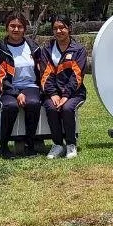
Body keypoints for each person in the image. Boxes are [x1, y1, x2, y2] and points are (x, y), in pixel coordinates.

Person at [0, 11, 44, 158]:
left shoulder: (33, 47)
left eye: (19, 26)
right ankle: (3, 146)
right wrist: (16, 93)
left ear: (24, 29)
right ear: (6, 27)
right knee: (10, 106)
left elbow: (42, 70)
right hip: (9, 87)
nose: (16, 29)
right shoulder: (0, 49)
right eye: (12, 26)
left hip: (30, 86)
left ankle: (30, 145)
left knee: (34, 103)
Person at [40, 14, 87, 159]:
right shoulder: (47, 49)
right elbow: (45, 74)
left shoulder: (78, 50)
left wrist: (66, 95)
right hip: (52, 93)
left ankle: (71, 144)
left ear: (69, 29)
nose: (59, 31)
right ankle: (57, 145)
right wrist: (53, 94)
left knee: (67, 108)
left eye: (62, 28)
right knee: (51, 108)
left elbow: (77, 76)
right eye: (55, 28)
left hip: (74, 93)